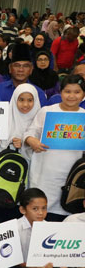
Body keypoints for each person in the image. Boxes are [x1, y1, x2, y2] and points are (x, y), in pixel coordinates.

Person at [24, 75, 85, 221]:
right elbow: (30, 133)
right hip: (45, 174)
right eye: (67, 91)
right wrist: (32, 141)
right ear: (60, 92)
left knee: (67, 216)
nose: (71, 96)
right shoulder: (47, 111)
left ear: (83, 95)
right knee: (41, 214)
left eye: (77, 92)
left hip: (71, 176)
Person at [9, 188, 71, 268]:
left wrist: (61, 267)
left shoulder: (50, 228)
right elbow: (13, 259)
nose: (41, 213)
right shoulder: (14, 227)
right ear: (22, 210)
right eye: (35, 209)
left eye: (44, 208)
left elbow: (56, 255)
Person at [0, 84, 41, 162]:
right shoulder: (6, 118)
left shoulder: (40, 120)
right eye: (21, 100)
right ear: (15, 100)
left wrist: (24, 143)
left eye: (30, 100)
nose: (25, 104)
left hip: (32, 166)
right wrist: (12, 141)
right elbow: (1, 142)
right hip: (7, 165)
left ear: (35, 100)